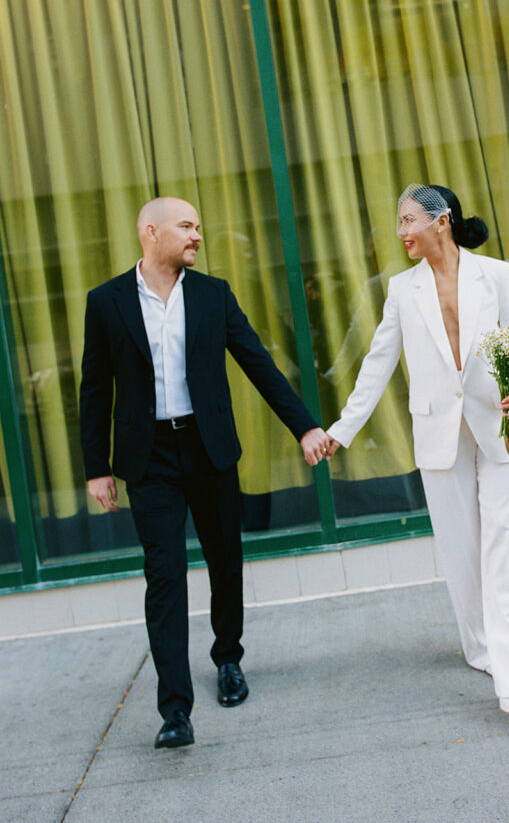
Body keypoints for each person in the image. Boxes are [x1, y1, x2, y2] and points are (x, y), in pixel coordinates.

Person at [80, 197, 331, 749]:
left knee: (225, 561)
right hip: (149, 461)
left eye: (199, 226)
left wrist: (305, 427)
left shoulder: (214, 295)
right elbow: (95, 389)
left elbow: (258, 363)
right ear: (151, 231)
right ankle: (174, 710)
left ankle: (228, 659)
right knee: (164, 577)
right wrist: (97, 467)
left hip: (209, 448)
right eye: (187, 226)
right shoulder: (107, 302)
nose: (198, 235)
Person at [325, 184, 509, 714]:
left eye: (408, 221)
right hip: (438, 433)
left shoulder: (495, 273)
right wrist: (343, 429)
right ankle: (481, 646)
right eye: (399, 223)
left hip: (499, 422)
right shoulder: (402, 289)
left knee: (508, 543)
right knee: (461, 548)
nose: (401, 233)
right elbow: (378, 363)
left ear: (440, 221)